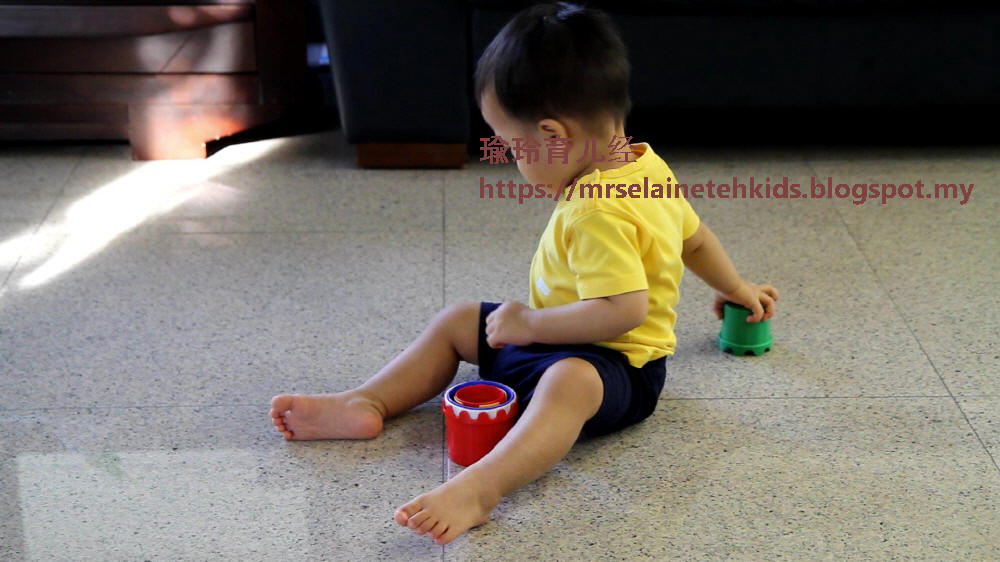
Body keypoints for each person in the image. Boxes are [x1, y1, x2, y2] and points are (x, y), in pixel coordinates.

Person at [270, 1, 778, 545]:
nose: (511, 158)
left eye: (513, 145)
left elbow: (624, 311)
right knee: (460, 320)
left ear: (554, 135)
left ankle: (482, 487)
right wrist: (736, 287)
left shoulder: (597, 210)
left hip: (619, 370)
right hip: (557, 335)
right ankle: (368, 400)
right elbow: (694, 238)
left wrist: (531, 325)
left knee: (567, 382)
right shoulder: (647, 164)